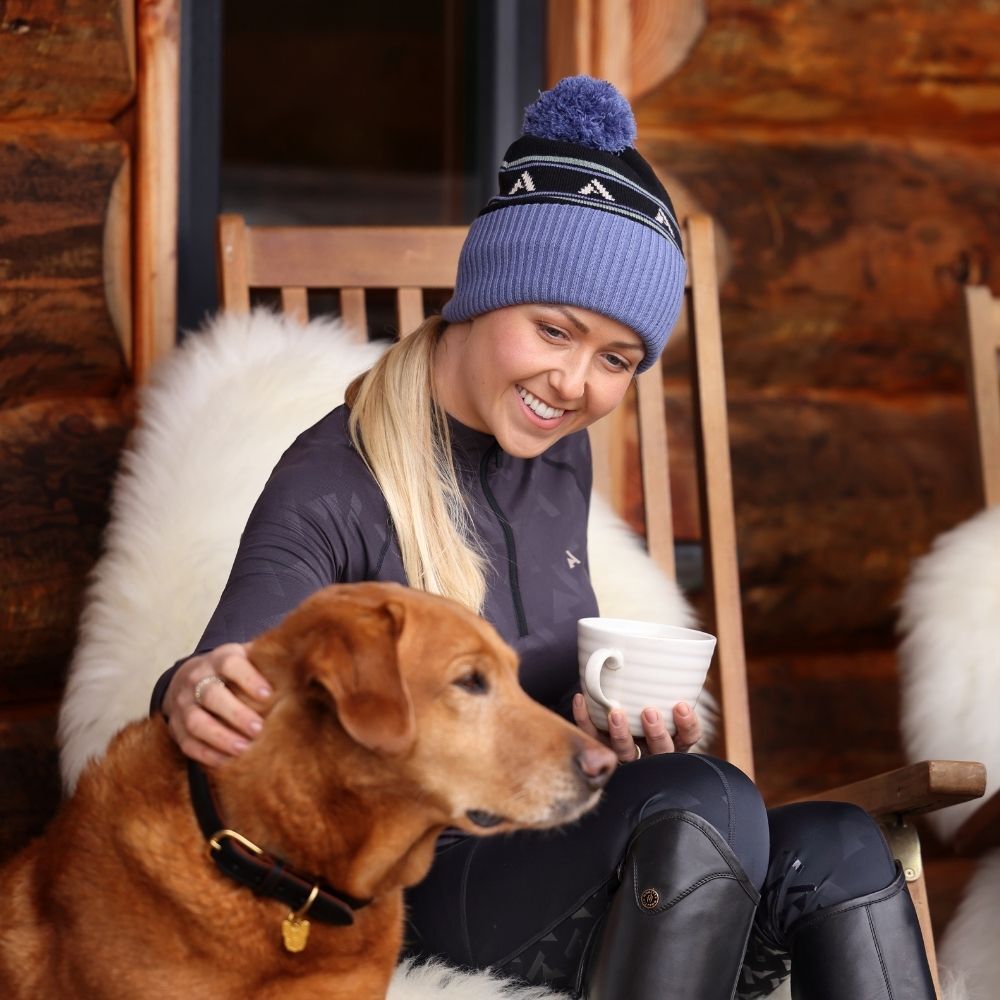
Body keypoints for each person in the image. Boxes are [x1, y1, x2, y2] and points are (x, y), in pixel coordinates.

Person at [152, 77, 936, 999]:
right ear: (487, 294)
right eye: (554, 330)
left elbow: (541, 690)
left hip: (556, 834)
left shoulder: (558, 455)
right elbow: (222, 678)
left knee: (839, 844)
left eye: (615, 360)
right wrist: (191, 686)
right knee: (709, 797)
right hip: (419, 875)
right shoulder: (335, 481)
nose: (572, 383)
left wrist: (608, 725)